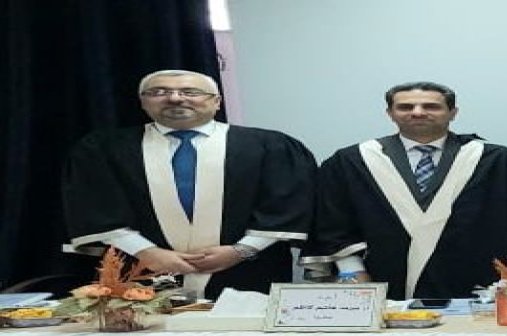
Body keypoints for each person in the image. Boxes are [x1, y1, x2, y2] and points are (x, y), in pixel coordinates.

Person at [62, 69, 316, 299]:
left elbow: (288, 206)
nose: (175, 99)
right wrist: (147, 253)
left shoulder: (270, 146)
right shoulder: (103, 149)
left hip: (248, 270)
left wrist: (241, 251)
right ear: (143, 102)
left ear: (217, 101)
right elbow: (95, 207)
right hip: (141, 272)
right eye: (159, 92)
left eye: (190, 92)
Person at [303, 82, 507, 300]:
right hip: (383, 290)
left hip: (485, 291)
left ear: (453, 112)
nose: (417, 112)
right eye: (405, 107)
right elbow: (333, 223)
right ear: (390, 113)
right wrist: (355, 277)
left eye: (431, 106)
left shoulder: (500, 162)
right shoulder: (352, 162)